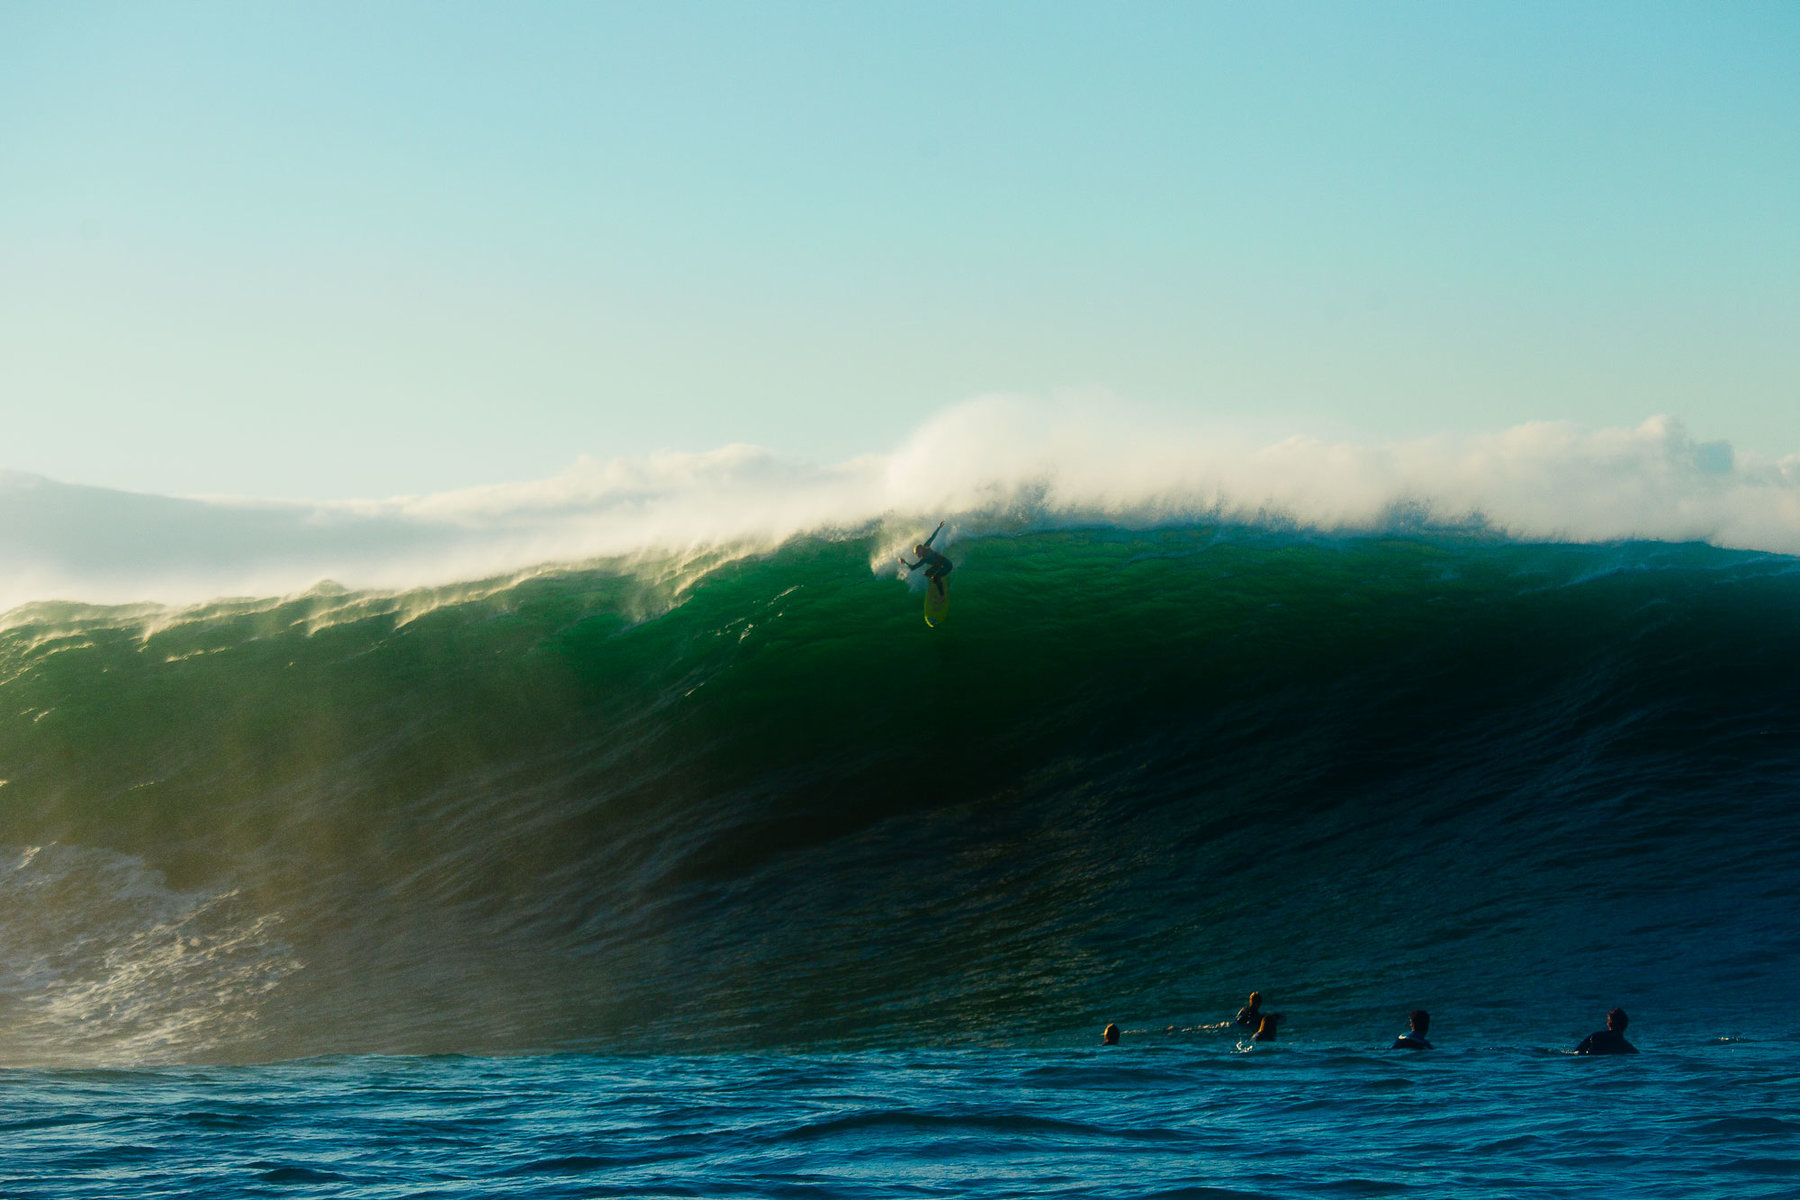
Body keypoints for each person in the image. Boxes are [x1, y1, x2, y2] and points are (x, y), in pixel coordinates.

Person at [898, 522, 953, 598]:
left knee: (935, 578)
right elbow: (913, 568)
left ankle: (942, 596)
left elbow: (932, 537)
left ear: (921, 550)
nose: (917, 555)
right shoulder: (924, 554)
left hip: (947, 565)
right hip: (939, 565)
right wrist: (904, 562)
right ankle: (938, 580)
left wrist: (938, 528)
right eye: (916, 554)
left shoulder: (925, 555)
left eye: (918, 553)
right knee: (926, 573)